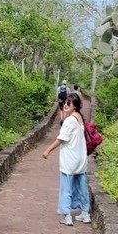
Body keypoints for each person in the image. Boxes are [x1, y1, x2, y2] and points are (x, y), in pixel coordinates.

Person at [42, 92, 91, 226]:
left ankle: (67, 216)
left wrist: (47, 150)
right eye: (65, 103)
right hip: (80, 159)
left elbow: (61, 139)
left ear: (74, 105)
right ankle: (85, 214)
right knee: (81, 188)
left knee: (66, 188)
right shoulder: (79, 117)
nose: (65, 105)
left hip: (70, 159)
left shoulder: (69, 120)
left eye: (68, 103)